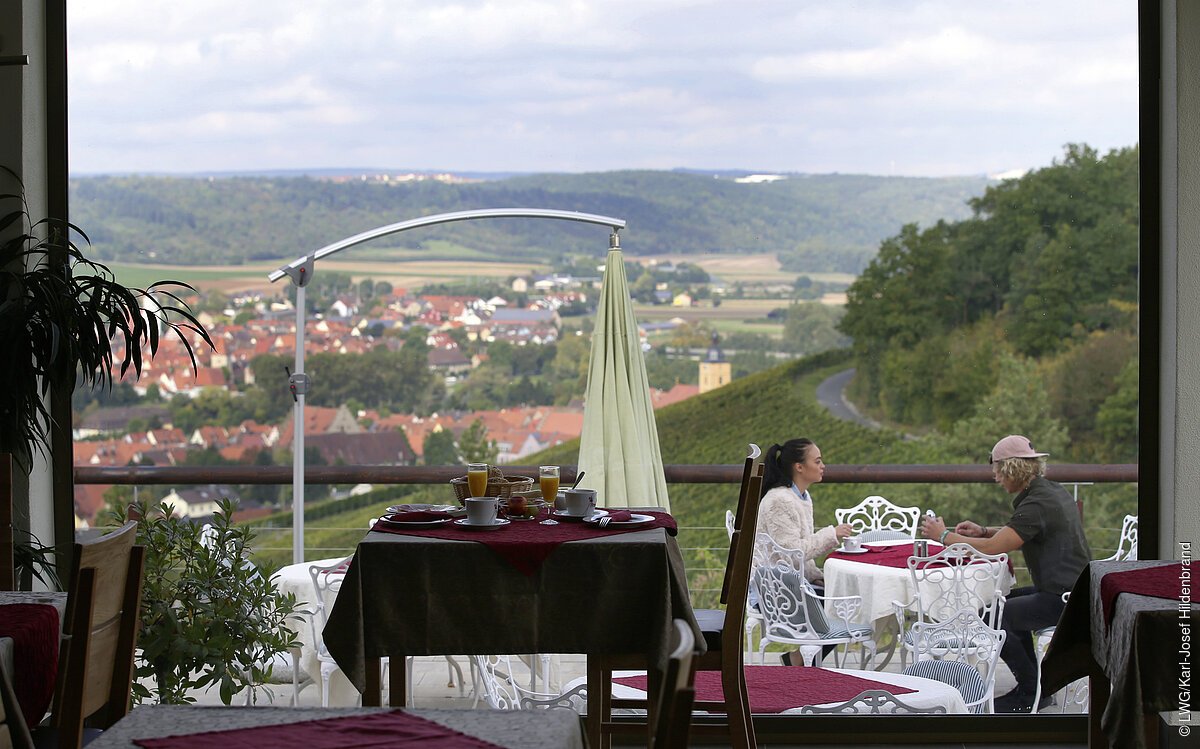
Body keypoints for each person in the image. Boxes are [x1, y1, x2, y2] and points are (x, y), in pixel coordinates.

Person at [920, 434, 1091, 713]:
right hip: (1071, 589)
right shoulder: (1048, 491)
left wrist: (945, 535)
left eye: (998, 471)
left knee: (997, 616)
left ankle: (1029, 693)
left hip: (1064, 598)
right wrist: (983, 530)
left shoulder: (1036, 502)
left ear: (1013, 469)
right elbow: (1013, 533)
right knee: (999, 607)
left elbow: (992, 548)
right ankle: (1037, 687)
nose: (995, 477)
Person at [758, 438, 854, 588]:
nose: (823, 466)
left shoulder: (801, 496)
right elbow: (791, 554)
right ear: (799, 467)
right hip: (776, 591)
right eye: (817, 462)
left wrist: (816, 577)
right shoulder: (779, 500)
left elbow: (799, 554)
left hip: (792, 583)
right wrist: (832, 534)